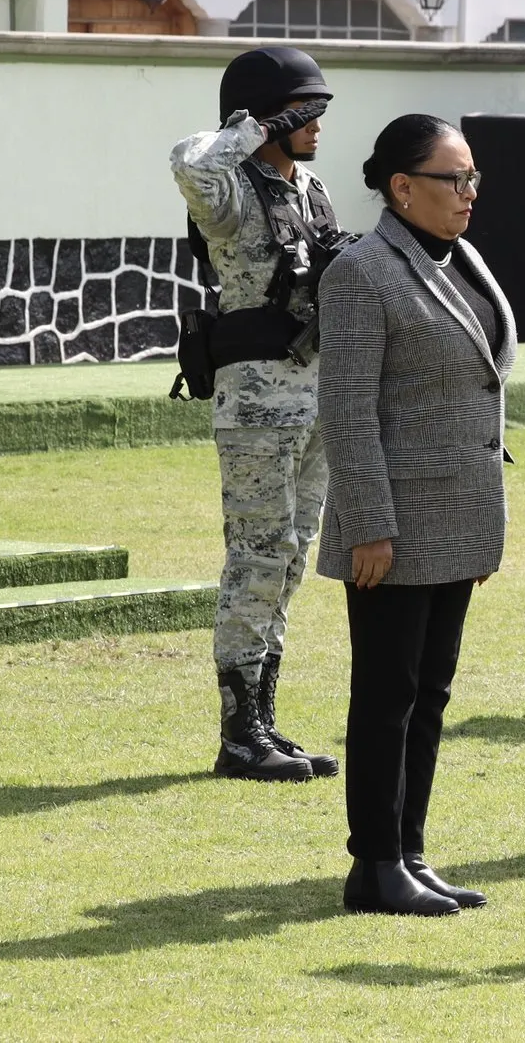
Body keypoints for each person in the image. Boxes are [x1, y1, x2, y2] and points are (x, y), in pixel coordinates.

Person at [316, 114, 516, 917]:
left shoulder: (456, 255)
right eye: (452, 179)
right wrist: (368, 521)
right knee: (387, 692)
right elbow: (348, 410)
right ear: (401, 188)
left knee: (430, 692)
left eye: (473, 179)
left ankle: (410, 850)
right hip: (392, 526)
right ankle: (373, 865)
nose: (469, 194)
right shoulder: (362, 273)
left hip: (457, 516)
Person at [171, 47, 349, 784]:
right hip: (255, 404)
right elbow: (189, 162)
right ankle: (239, 733)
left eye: (319, 111)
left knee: (290, 556)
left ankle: (264, 720)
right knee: (255, 555)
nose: (316, 125)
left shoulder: (313, 191)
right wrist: (257, 126)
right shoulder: (230, 189)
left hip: (316, 395)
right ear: (265, 114)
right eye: (303, 112)